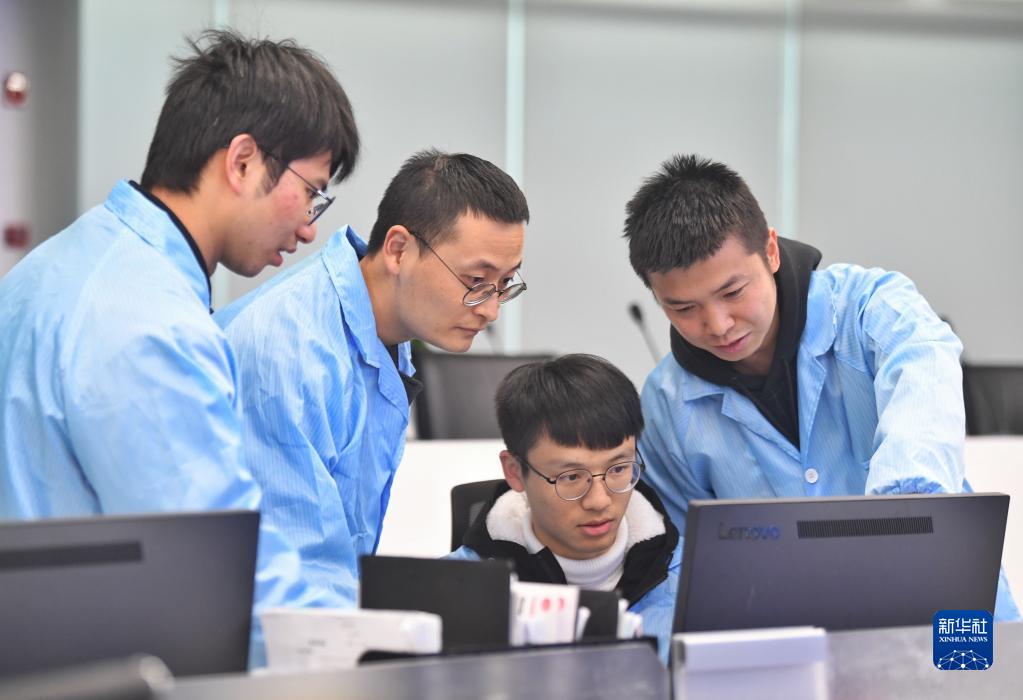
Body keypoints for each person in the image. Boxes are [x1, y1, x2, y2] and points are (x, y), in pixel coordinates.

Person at [0, 30, 361, 662]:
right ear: (242, 161)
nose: (310, 229)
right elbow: (221, 580)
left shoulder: (55, 266)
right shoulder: (153, 325)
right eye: (311, 192)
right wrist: (364, 655)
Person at [623, 153, 1018, 619]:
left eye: (732, 292)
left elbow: (925, 375)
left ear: (770, 250)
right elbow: (680, 562)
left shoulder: (870, 308)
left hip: (943, 593)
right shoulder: (666, 404)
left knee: (974, 667)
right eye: (684, 309)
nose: (719, 324)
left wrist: (903, 516)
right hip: (795, 626)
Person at [215, 149, 529, 603]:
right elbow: (299, 585)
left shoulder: (385, 331)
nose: (491, 309)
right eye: (476, 282)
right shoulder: (287, 350)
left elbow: (345, 563)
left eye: (505, 284)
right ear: (399, 250)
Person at [449, 354, 681, 661]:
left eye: (618, 469)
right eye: (570, 477)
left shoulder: (697, 580)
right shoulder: (450, 590)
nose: (599, 501)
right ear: (515, 472)